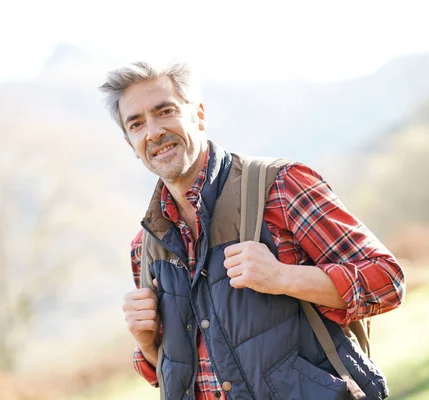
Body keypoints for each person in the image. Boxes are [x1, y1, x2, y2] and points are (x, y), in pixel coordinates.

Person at [99, 61, 406, 400]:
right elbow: (182, 369)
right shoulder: (144, 248)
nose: (153, 131)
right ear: (130, 143)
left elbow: (388, 281)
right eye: (137, 123)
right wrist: (146, 343)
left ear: (198, 115)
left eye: (165, 111)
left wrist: (283, 277)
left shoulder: (282, 187)